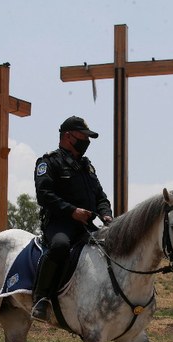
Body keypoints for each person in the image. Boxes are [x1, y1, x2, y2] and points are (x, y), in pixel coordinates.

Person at [32, 116, 113, 321]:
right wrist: (71, 211)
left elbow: (100, 196)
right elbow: (44, 195)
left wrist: (106, 214)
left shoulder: (86, 166)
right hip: (60, 223)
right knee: (60, 246)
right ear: (68, 136)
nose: (87, 141)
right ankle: (41, 298)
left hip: (86, 225)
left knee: (112, 247)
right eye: (83, 136)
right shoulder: (49, 162)